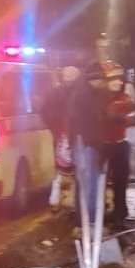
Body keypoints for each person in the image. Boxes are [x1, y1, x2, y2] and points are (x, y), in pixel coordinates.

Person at [68, 60, 135, 227]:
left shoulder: (117, 97)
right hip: (95, 144)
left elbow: (131, 114)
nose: (118, 82)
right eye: (114, 79)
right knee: (91, 183)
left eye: (121, 79)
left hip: (114, 144)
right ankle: (88, 222)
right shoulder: (90, 96)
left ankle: (112, 217)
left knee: (115, 182)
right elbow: (91, 119)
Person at [40, 65, 80, 210]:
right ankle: (70, 200)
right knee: (73, 168)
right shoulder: (77, 93)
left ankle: (57, 199)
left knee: (62, 168)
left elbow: (44, 111)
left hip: (61, 134)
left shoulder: (55, 93)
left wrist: (54, 127)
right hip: (70, 135)